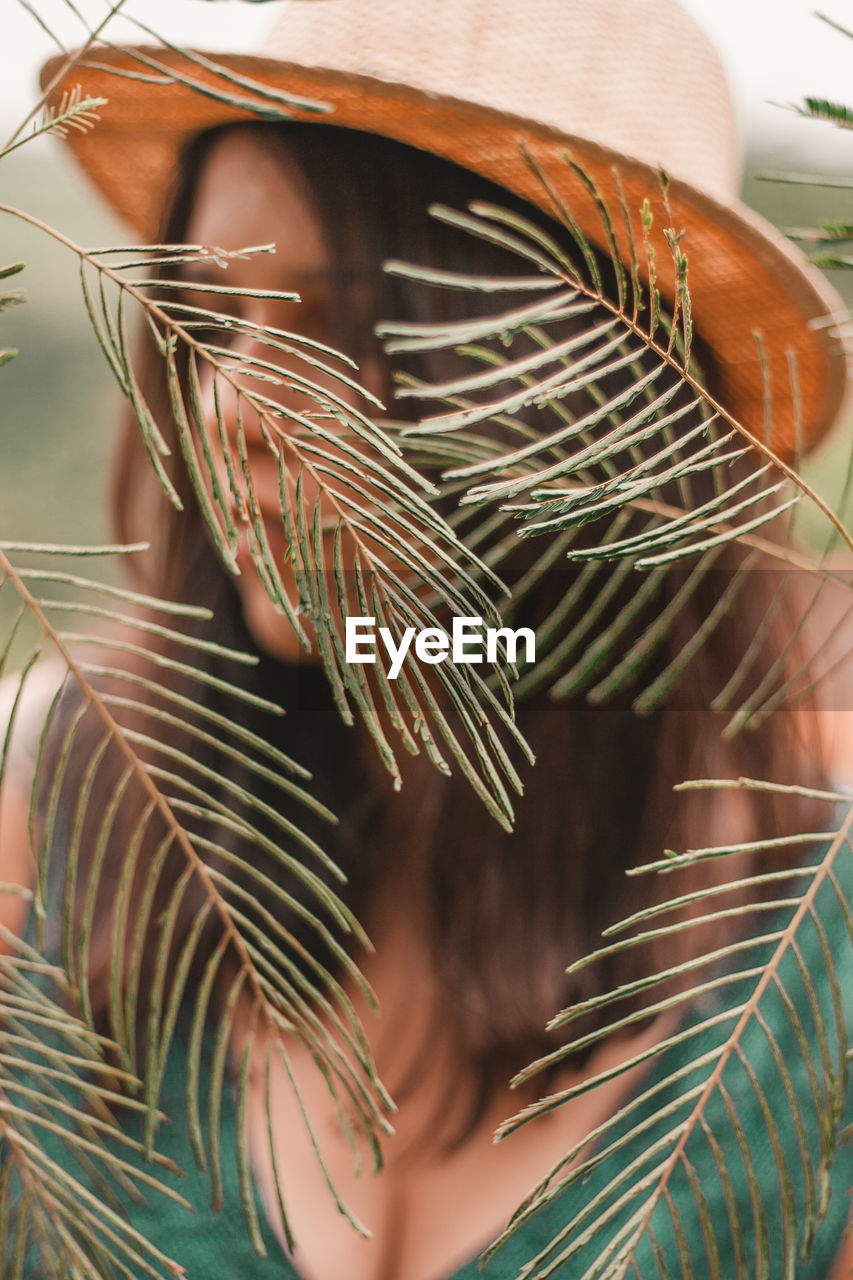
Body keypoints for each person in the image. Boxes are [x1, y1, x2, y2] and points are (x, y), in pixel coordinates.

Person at [3, 2, 853, 1278]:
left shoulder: (811, 985)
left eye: (343, 321)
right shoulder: (57, 805)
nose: (230, 403)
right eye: (212, 321)